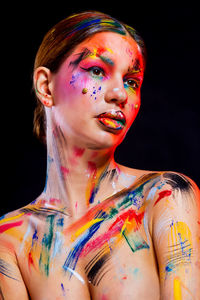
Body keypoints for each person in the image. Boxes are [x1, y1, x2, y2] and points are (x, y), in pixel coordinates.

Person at [0, 10, 199, 300]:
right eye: (97, 70)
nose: (120, 93)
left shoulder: (164, 197)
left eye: (132, 81)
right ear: (46, 86)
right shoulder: (10, 241)